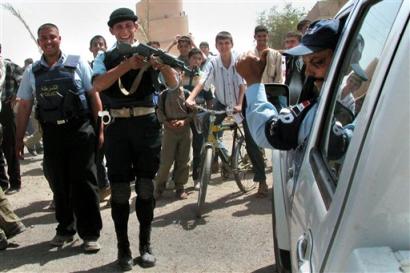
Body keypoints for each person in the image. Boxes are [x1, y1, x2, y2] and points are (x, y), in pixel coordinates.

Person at [15, 23, 103, 253]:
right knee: (59, 183)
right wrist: (17, 141)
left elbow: (93, 95)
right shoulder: (32, 71)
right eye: (43, 38)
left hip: (80, 130)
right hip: (52, 133)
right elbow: (24, 105)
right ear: (39, 42)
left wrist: (101, 129)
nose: (48, 41)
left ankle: (90, 234)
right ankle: (65, 229)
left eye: (52, 37)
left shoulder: (77, 62)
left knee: (85, 183)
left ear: (59, 38)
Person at [92, 8, 160, 270]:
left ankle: (146, 245)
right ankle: (123, 248)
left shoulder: (149, 52)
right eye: (118, 27)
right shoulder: (105, 57)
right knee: (119, 191)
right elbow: (97, 85)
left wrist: (160, 66)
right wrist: (125, 66)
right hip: (118, 127)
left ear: (135, 26)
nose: (124, 30)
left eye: (128, 26)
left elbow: (173, 83)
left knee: (145, 187)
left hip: (146, 125)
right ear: (111, 31)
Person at [236, 19, 341, 181]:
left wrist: (253, 80)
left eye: (318, 62)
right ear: (255, 37)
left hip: (274, 94)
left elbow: (265, 131)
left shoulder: (276, 55)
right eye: (306, 64)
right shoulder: (329, 105)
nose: (309, 73)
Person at [186, 31, 267, 197]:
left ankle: (262, 180)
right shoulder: (213, 62)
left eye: (226, 43)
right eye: (220, 44)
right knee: (208, 123)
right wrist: (191, 97)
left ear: (231, 44)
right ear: (216, 46)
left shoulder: (239, 60)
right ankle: (218, 156)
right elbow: (202, 81)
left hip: (242, 102)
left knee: (252, 142)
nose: (223, 46)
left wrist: (239, 104)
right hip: (222, 102)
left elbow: (242, 84)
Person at [154, 63, 191, 200]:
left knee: (183, 160)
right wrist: (167, 123)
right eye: (172, 74)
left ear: (182, 76)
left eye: (178, 74)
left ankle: (180, 187)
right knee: (166, 161)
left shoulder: (187, 94)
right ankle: (159, 187)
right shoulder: (163, 95)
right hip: (169, 131)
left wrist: (184, 121)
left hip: (185, 130)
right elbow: (159, 112)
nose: (175, 77)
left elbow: (193, 112)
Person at [183, 48, 213, 188]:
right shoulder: (181, 74)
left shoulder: (203, 77)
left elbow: (209, 98)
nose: (196, 61)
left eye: (199, 59)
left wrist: (209, 113)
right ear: (189, 59)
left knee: (198, 146)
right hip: (182, 114)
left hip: (199, 114)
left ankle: (197, 178)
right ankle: (179, 181)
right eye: (194, 58)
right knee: (182, 148)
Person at [89, 34, 111, 203]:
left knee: (114, 154)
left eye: (101, 44)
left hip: (114, 114)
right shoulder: (87, 68)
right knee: (98, 154)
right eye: (95, 44)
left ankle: (115, 187)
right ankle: (103, 187)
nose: (98, 46)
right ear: (91, 49)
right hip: (96, 117)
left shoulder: (112, 64)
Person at [0, 51, 23, 195]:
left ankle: (15, 183)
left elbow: (23, 83)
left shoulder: (9, 66)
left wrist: (16, 96)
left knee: (10, 146)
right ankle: (2, 183)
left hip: (7, 109)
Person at [284, 31, 304, 105]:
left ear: (301, 43)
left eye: (292, 42)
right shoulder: (289, 59)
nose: (289, 45)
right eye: (287, 42)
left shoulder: (305, 59)